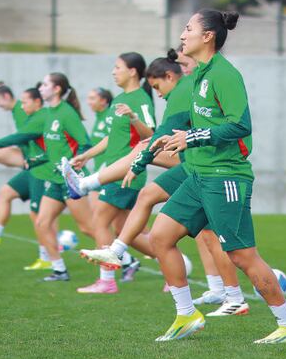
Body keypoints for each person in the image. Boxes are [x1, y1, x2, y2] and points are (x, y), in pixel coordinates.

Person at [147, 9, 286, 343]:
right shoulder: (200, 75)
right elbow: (204, 121)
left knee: (241, 255)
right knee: (160, 237)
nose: (182, 34)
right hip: (199, 175)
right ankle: (186, 315)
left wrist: (192, 138)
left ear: (208, 36)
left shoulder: (224, 74)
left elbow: (240, 125)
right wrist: (173, 135)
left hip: (226, 177)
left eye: (188, 28)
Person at [75, 50, 248, 314]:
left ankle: (238, 299)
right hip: (195, 165)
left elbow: (235, 127)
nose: (157, 93)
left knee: (228, 244)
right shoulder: (191, 86)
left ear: (171, 74)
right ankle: (120, 250)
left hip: (212, 170)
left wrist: (140, 161)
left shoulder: (198, 82)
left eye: (157, 86)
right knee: (157, 210)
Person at [0, 73, 93, 282]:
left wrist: (79, 161)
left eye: (45, 84)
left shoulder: (67, 113)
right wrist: (33, 161)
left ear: (57, 89)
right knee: (42, 222)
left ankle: (126, 259)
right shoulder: (47, 113)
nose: (41, 87)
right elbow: (43, 146)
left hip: (70, 180)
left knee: (88, 228)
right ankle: (59, 270)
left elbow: (85, 142)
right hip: (54, 179)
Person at [68, 53, 156, 294]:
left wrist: (134, 117)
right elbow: (112, 138)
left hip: (126, 173)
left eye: (118, 67)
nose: (113, 72)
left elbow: (152, 136)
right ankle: (173, 263)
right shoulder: (121, 98)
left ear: (133, 72)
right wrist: (86, 156)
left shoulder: (141, 99)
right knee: (126, 230)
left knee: (99, 221)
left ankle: (107, 281)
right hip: (114, 170)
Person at [0, 86, 49, 264]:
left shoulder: (42, 116)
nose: (22, 105)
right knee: (6, 193)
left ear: (37, 102)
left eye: (25, 102)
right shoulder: (27, 114)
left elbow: (18, 138)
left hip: (42, 170)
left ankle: (124, 258)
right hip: (33, 168)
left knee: (86, 224)